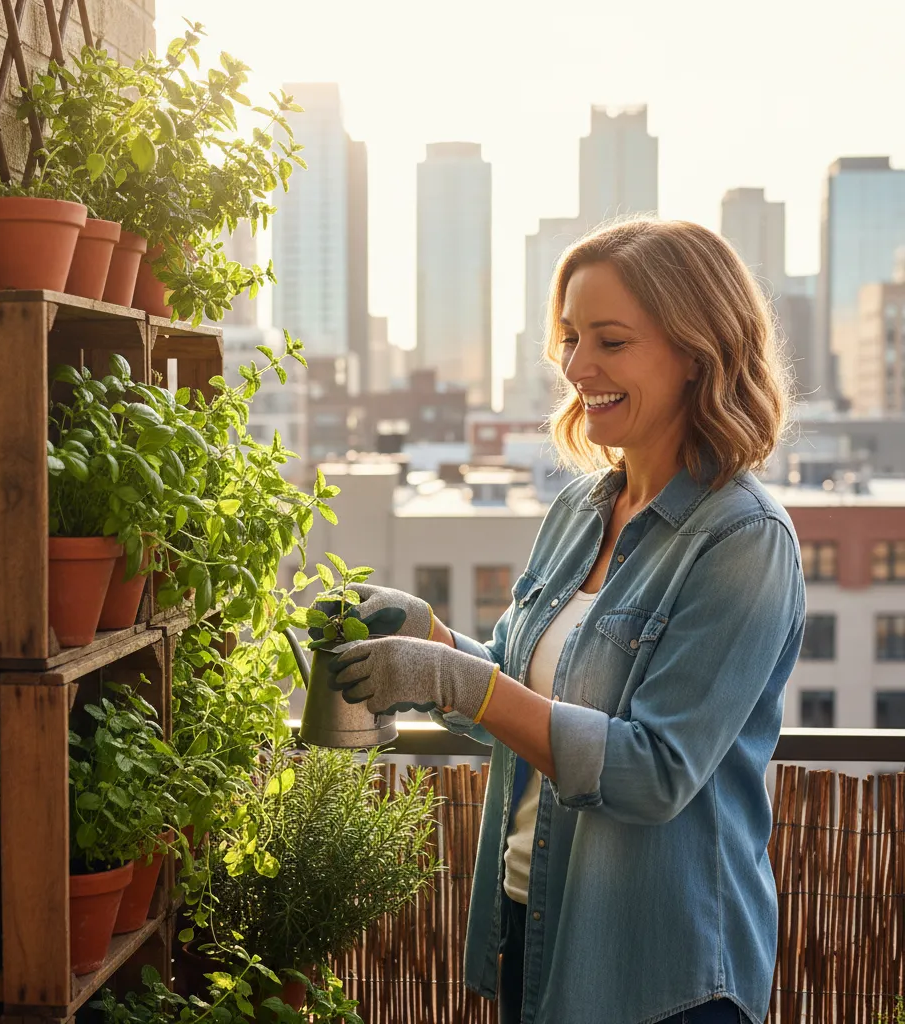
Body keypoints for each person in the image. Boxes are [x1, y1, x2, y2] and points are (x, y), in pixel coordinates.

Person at [319, 219, 805, 1024]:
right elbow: (506, 700)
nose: (578, 368)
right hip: (533, 925)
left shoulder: (742, 540)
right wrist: (432, 640)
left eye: (610, 342)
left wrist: (461, 682)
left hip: (661, 973)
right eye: (572, 338)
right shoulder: (581, 510)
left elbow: (655, 773)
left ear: (696, 352)